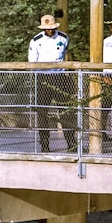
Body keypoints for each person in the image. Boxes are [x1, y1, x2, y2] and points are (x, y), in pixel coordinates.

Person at [28, 14, 77, 153]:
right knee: (42, 113)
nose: (50, 30)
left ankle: (71, 142)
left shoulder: (63, 37)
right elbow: (32, 62)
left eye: (52, 28)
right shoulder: (36, 41)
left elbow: (67, 54)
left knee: (66, 112)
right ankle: (44, 143)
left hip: (60, 77)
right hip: (43, 78)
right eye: (46, 28)